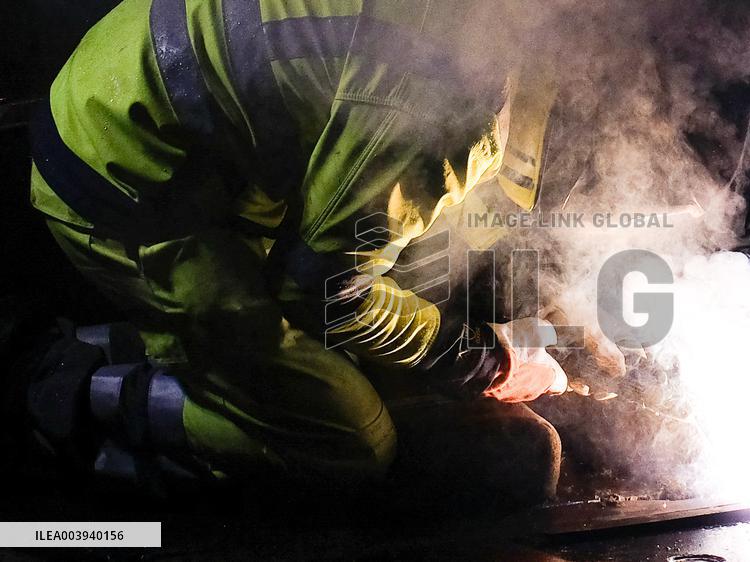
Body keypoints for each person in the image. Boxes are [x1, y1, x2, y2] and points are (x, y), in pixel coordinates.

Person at [26, 0, 581, 503]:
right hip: (127, 180)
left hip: (155, 116)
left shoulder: (505, 37)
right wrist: (487, 359)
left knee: (338, 352)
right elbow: (325, 293)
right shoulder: (459, 97)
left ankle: (127, 344)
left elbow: (425, 219)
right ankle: (59, 394)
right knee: (349, 441)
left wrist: (553, 326)